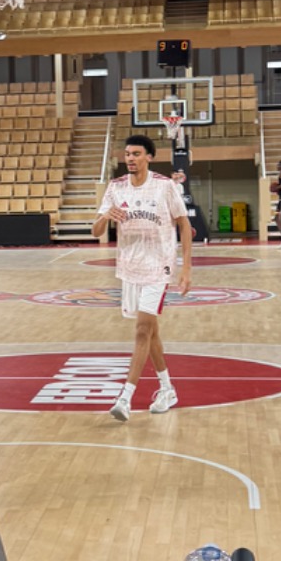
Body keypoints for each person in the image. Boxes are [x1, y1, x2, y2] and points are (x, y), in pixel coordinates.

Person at [92, 134, 193, 421]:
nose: (130, 158)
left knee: (141, 330)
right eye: (127, 154)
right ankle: (167, 389)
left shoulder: (165, 186)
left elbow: (185, 225)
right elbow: (95, 231)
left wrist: (186, 267)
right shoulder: (115, 187)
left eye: (136, 154)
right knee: (151, 333)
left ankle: (125, 398)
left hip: (158, 267)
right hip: (129, 268)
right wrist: (105, 217)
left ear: (149, 157)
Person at [172, 169, 209, 244]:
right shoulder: (168, 185)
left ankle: (185, 239)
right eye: (174, 174)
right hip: (170, 208)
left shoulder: (180, 186)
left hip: (178, 208)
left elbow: (180, 198)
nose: (175, 176)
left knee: (182, 224)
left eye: (177, 174)